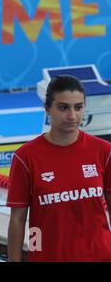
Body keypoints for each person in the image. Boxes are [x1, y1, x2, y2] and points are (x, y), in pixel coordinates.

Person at [7, 75, 111, 262]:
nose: (72, 116)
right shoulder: (25, 157)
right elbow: (18, 219)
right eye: (63, 108)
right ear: (47, 109)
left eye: (78, 107)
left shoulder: (104, 151)